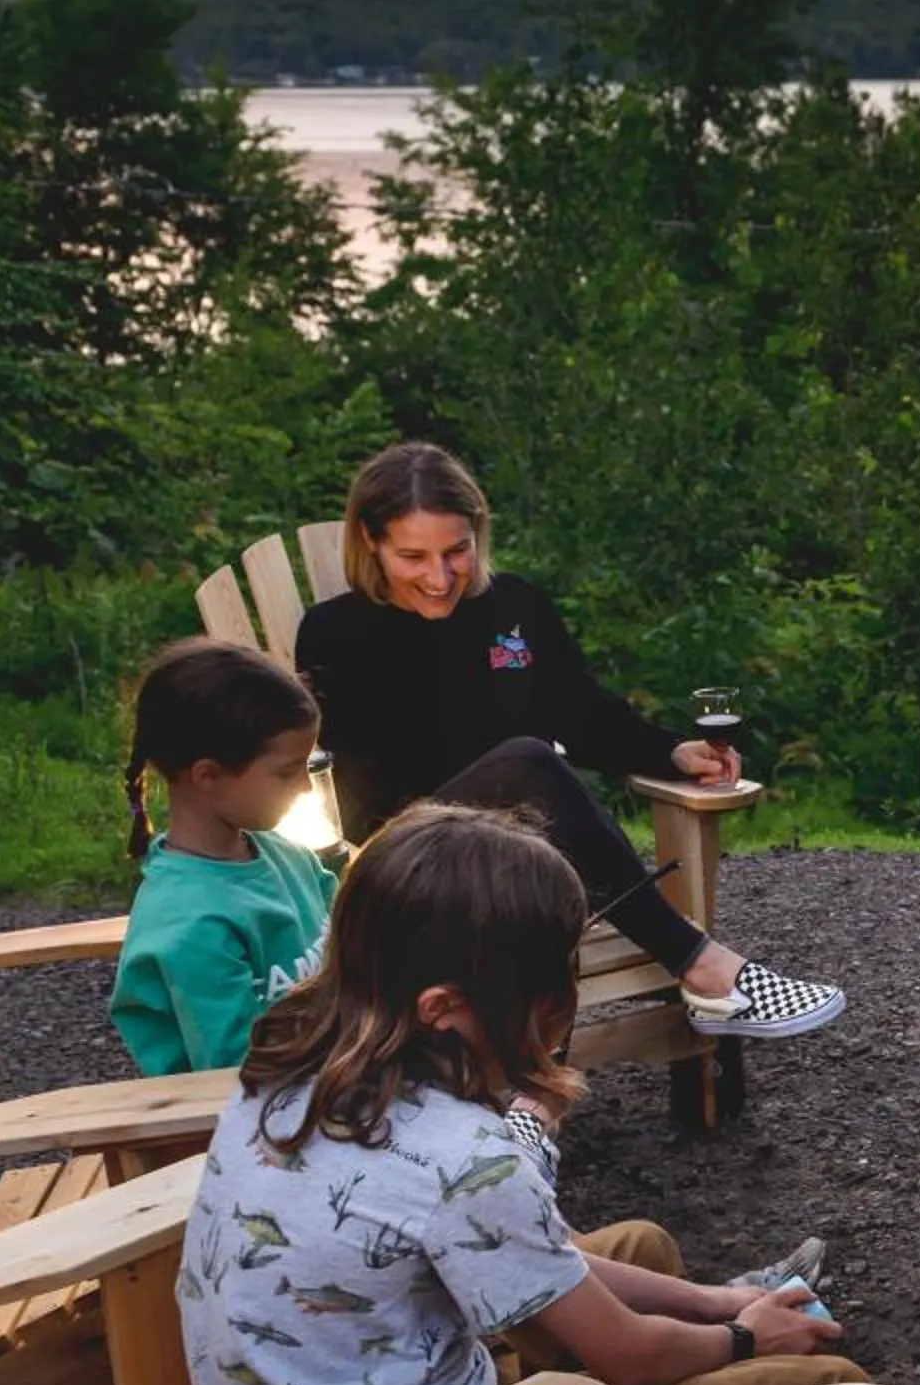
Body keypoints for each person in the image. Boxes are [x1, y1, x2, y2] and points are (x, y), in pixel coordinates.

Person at [178, 803, 863, 1385]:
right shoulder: (464, 1159)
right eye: (553, 986)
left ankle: (701, 1372)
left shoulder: (289, 1063)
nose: (563, 1003)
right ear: (443, 1008)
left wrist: (718, 1304)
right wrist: (746, 1339)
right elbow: (630, 1358)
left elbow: (498, 1240)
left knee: (642, 1245)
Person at [291, 440, 843, 1042]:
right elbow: (340, 793)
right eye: (413, 557)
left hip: (524, 863)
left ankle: (700, 981)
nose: (440, 577)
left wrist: (669, 752)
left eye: (456, 551)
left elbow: (581, 712)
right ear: (370, 541)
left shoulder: (512, 607)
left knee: (533, 764)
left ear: (478, 534)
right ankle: (704, 968)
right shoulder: (335, 635)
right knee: (530, 760)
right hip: (408, 867)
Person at [111, 640, 335, 1075]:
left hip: (326, 1073)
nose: (306, 787)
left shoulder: (286, 854)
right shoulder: (191, 927)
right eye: (288, 772)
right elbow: (240, 1075)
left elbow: (358, 944)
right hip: (252, 1103)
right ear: (207, 776)